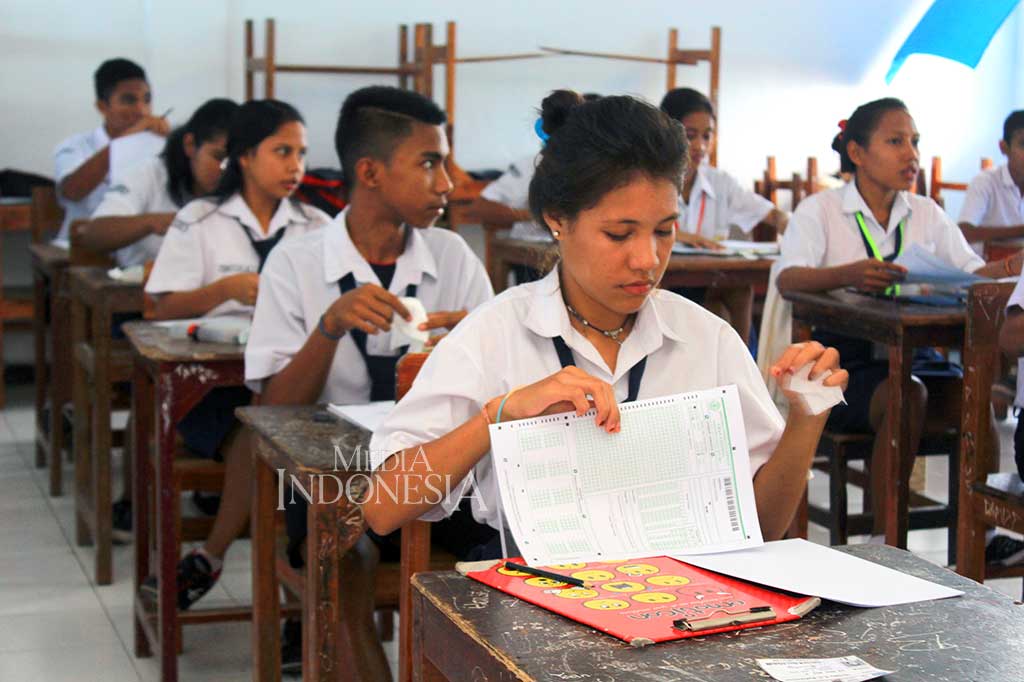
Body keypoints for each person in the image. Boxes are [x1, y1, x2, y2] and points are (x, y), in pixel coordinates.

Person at [362, 91, 845, 651]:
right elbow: (383, 508)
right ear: (558, 220)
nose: (647, 259)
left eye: (664, 230)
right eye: (620, 234)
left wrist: (806, 420)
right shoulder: (495, 333)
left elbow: (763, 526)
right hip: (538, 612)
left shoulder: (705, 337)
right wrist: (498, 415)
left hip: (690, 611)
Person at [246, 84, 494, 675]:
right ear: (370, 172)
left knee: (506, 550)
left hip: (440, 477)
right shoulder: (296, 262)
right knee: (343, 558)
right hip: (332, 482)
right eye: (429, 163)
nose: (447, 183)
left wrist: (472, 344)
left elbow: (500, 396)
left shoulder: (452, 256)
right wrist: (328, 328)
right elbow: (272, 409)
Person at [776, 97, 1022, 540]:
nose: (911, 155)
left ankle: (980, 540)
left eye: (915, 142)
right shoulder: (821, 210)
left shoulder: (925, 212)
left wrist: (1008, 267)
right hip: (841, 363)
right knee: (906, 394)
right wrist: (848, 274)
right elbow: (787, 277)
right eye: (895, 142)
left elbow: (970, 274)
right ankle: (885, 542)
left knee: (975, 397)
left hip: (914, 354)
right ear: (857, 152)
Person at [140, 99, 331, 611]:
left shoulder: (317, 225)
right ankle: (282, 596)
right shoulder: (200, 219)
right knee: (263, 428)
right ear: (244, 156)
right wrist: (222, 290)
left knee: (278, 423)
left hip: (290, 381)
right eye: (282, 152)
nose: (296, 166)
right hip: (212, 389)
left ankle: (276, 591)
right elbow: (158, 306)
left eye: (302, 154)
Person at [659, 88, 788, 343]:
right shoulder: (651, 179)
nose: (700, 146)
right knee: (711, 311)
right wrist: (680, 235)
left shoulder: (721, 183)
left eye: (707, 136)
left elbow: (774, 216)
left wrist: (792, 225)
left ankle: (742, 363)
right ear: (667, 133)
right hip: (664, 281)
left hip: (709, 283)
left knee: (739, 291)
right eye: (690, 135)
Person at [83, 98, 238, 267]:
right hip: (141, 279)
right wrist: (153, 222)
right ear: (190, 145)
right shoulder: (149, 174)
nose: (226, 169)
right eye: (219, 157)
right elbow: (94, 235)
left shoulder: (245, 178)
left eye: (234, 161)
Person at [54, 58, 170, 242]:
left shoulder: (159, 145)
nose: (142, 111)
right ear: (102, 107)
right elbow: (72, 192)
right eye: (129, 100)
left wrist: (173, 145)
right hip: (83, 246)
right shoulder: (76, 145)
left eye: (147, 100)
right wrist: (123, 142)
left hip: (140, 247)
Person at [958, 110, 1024, 248]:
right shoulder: (985, 182)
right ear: (1004, 147)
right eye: (1023, 144)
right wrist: (1020, 231)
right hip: (988, 260)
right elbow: (964, 232)